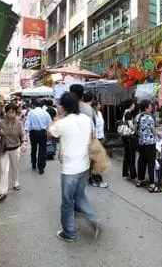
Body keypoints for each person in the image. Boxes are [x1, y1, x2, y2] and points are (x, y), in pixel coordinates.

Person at [47, 92, 99, 242]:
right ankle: (93, 218)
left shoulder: (62, 123)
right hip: (84, 166)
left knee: (68, 202)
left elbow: (49, 132)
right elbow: (92, 137)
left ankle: (69, 233)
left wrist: (57, 115)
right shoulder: (86, 119)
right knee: (80, 195)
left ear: (63, 106)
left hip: (70, 169)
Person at [70, 85, 108, 188]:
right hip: (86, 138)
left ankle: (86, 179)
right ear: (82, 95)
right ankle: (97, 180)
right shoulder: (86, 108)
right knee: (93, 159)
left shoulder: (67, 107)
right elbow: (92, 125)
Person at [0, 103, 26, 202]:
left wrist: (24, 143)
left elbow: (22, 135)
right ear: (6, 112)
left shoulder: (19, 123)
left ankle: (16, 183)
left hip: (15, 148)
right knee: (4, 170)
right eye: (9, 112)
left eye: (13, 112)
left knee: (15, 167)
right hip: (4, 149)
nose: (11, 114)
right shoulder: (1, 123)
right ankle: (2, 191)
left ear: (16, 113)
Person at [134, 100, 161, 193]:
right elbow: (153, 131)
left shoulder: (138, 116)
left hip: (141, 142)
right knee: (151, 163)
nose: (151, 108)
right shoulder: (149, 118)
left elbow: (135, 129)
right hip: (150, 143)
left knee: (142, 160)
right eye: (150, 106)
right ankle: (152, 185)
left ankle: (140, 180)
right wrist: (159, 133)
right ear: (146, 107)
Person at [25, 100, 52, 174]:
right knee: (42, 150)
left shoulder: (31, 112)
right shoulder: (45, 113)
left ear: (34, 105)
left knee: (33, 148)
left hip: (33, 133)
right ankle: (41, 167)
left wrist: (26, 133)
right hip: (43, 133)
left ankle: (33, 163)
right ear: (42, 105)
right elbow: (50, 124)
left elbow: (27, 124)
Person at [121, 99, 137, 179]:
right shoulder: (128, 113)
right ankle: (132, 173)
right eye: (133, 104)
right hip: (129, 136)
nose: (134, 105)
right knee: (131, 155)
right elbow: (131, 126)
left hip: (125, 136)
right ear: (131, 105)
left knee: (127, 154)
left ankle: (125, 172)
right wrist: (136, 130)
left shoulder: (125, 112)